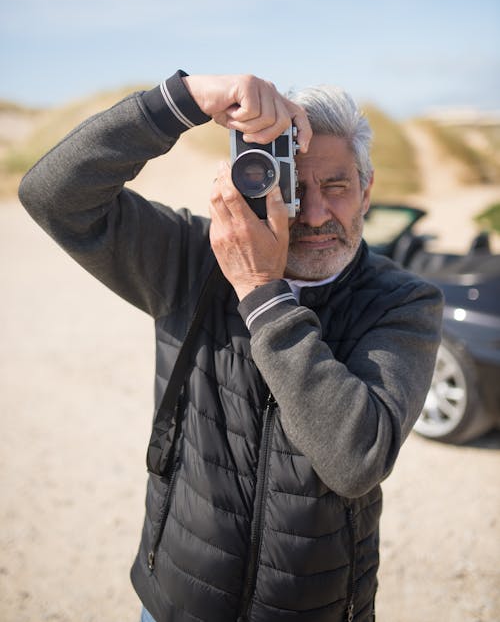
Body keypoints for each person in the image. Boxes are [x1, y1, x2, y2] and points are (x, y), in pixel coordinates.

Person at [19, 70, 443, 622]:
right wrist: (181, 100)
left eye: (336, 186)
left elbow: (355, 460)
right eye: (292, 187)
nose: (314, 214)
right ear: (257, 181)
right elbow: (53, 197)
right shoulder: (195, 259)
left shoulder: (401, 300)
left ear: (366, 190)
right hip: (178, 600)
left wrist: (260, 294)